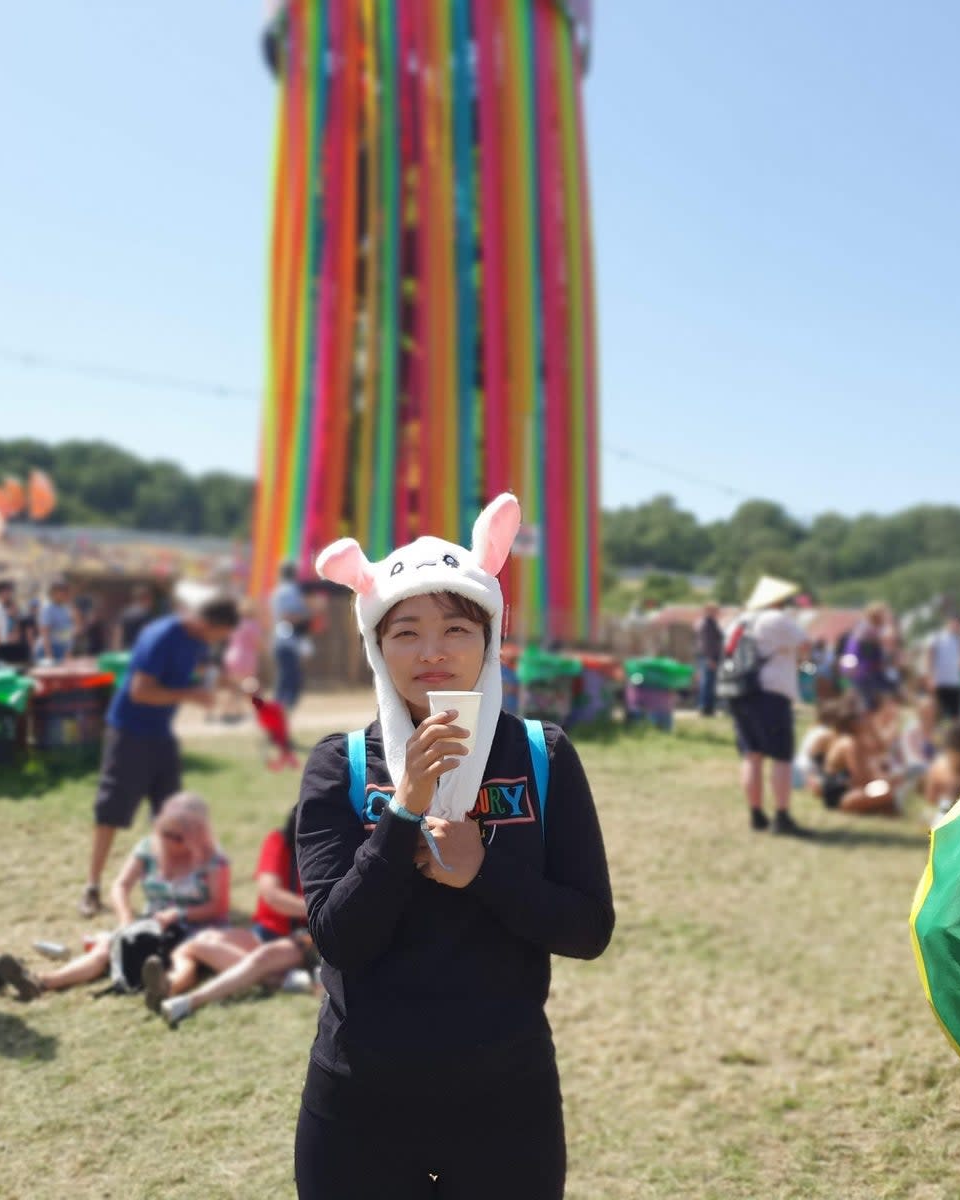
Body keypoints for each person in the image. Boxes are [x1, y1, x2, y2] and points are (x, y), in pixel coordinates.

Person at [292, 493, 614, 1200]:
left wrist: (483, 871)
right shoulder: (339, 765)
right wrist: (403, 811)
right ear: (377, 647)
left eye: (456, 628)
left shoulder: (541, 754)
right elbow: (338, 937)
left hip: (507, 1100)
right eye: (404, 631)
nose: (432, 651)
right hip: (359, 1101)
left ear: (490, 638)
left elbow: (589, 929)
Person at [78, 596, 239, 918]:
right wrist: (191, 696)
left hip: (160, 735)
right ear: (208, 624)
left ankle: (170, 888)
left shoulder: (197, 641)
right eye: (220, 635)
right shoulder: (161, 636)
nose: (219, 642)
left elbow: (205, 673)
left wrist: (239, 687)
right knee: (111, 811)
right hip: (128, 733)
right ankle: (92, 887)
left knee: (172, 815)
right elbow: (140, 691)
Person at [0, 793, 230, 999]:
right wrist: (126, 919)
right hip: (152, 925)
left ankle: (165, 988)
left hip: (196, 927)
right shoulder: (149, 848)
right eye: (166, 832)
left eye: (178, 837)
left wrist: (179, 914)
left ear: (197, 835)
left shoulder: (213, 859)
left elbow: (218, 907)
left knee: (184, 957)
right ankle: (41, 981)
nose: (169, 841)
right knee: (106, 948)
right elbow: (120, 885)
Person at [145, 804, 318, 1028]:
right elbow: (271, 894)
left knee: (260, 959)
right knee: (197, 943)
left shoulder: (330, 851)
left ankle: (187, 1002)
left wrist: (318, 910)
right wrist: (315, 907)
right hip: (267, 929)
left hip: (302, 937)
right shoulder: (278, 841)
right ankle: (170, 984)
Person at [727, 575, 811, 836]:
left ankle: (756, 814)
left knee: (751, 755)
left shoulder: (738, 622)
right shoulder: (778, 620)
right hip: (772, 693)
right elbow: (805, 646)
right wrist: (796, 663)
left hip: (740, 691)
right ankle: (782, 816)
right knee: (781, 757)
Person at [271, 562, 309, 710]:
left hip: (282, 638)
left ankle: (280, 707)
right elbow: (288, 615)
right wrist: (307, 616)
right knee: (290, 677)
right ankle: (283, 708)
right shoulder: (291, 591)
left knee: (286, 675)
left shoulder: (278, 591)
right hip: (288, 639)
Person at [927, 613, 960, 721]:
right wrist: (931, 678)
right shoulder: (937, 637)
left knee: (956, 716)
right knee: (939, 715)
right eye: (955, 623)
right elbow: (930, 657)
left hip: (956, 683)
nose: (956, 626)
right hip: (941, 683)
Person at [694, 602, 723, 716]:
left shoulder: (708, 623)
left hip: (706, 655)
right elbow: (707, 642)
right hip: (708, 656)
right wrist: (710, 658)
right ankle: (706, 708)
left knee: (708, 682)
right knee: (708, 682)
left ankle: (707, 707)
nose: (717, 612)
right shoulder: (708, 624)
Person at [38, 579, 75, 664]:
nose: (65, 594)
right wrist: (49, 657)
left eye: (66, 592)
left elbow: (67, 633)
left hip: (62, 650)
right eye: (62, 591)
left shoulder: (66, 608)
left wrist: (68, 651)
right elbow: (45, 633)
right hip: (49, 650)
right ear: (53, 593)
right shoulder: (47, 608)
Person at [116, 584, 156, 651]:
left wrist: (117, 650)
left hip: (126, 649)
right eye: (150, 599)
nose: (151, 602)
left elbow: (118, 634)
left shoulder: (124, 613)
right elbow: (149, 635)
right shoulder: (145, 615)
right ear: (145, 598)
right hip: (140, 650)